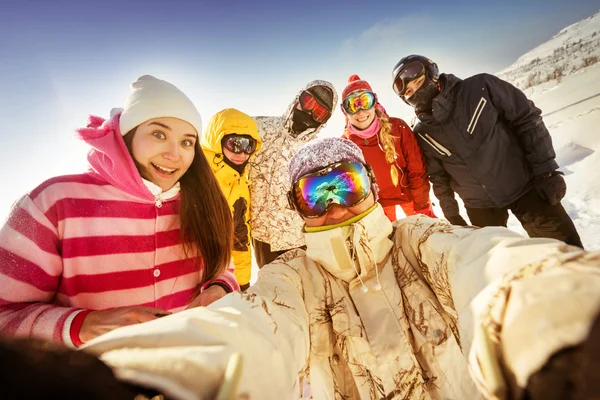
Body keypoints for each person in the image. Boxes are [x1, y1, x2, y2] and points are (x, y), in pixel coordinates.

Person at [79, 137, 600, 400]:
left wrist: (563, 317)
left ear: (372, 187)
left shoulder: (418, 240)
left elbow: (491, 266)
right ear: (298, 207)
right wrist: (138, 378)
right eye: (315, 193)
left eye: (345, 184)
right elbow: (247, 327)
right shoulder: (293, 279)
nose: (335, 206)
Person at [0, 75, 239, 348]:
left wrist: (219, 289)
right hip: (88, 380)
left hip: (185, 373)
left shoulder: (201, 203)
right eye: (158, 134)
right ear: (126, 136)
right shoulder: (56, 202)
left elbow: (223, 267)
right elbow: (6, 314)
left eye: (187, 142)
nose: (175, 154)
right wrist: (84, 325)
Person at [391, 54, 583, 248]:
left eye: (418, 82)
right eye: (409, 91)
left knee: (567, 255)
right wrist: (452, 214)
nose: (417, 91)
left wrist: (546, 169)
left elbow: (526, 120)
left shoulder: (480, 87)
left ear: (433, 74)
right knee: (500, 268)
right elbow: (438, 176)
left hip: (526, 188)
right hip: (480, 208)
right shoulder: (423, 132)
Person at [248, 80, 337, 267]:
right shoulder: (259, 128)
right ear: (298, 99)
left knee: (304, 288)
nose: (310, 113)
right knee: (272, 289)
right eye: (308, 103)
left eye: (319, 112)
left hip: (300, 236)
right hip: (264, 234)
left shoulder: (316, 151)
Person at [340, 74, 436, 221]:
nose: (360, 111)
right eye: (352, 105)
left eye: (365, 101)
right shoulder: (346, 145)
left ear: (375, 102)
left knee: (426, 235)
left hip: (410, 196)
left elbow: (417, 170)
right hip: (379, 206)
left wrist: (422, 205)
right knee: (388, 241)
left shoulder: (398, 128)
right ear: (344, 110)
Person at [201, 108, 262, 291]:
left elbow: (240, 235)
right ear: (216, 142)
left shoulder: (240, 180)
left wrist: (242, 282)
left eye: (248, 146)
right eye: (235, 144)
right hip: (199, 279)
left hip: (230, 280)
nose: (242, 153)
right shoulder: (200, 179)